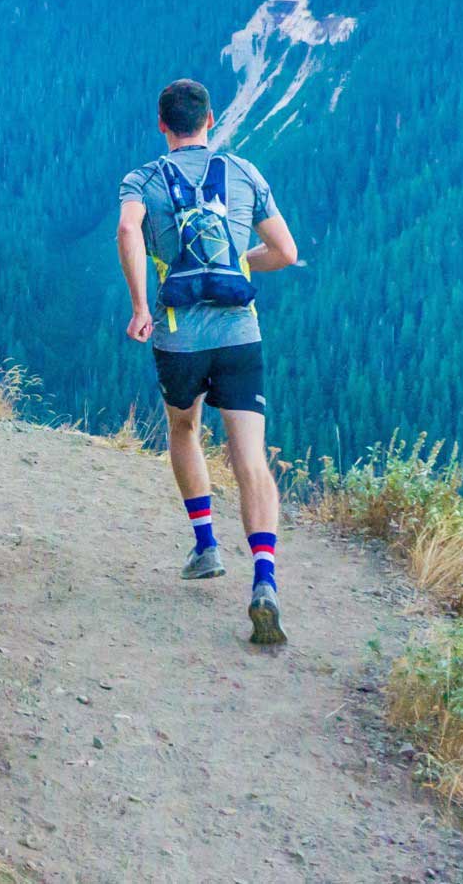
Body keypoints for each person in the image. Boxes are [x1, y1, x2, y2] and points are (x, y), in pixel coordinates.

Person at [115, 78, 300, 646]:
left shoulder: (142, 178)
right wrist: (238, 263)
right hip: (240, 333)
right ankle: (264, 580)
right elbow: (286, 253)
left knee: (184, 427)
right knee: (250, 457)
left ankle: (205, 546)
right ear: (211, 120)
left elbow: (127, 228)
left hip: (178, 337)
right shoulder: (244, 174)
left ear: (162, 125)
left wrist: (142, 306)